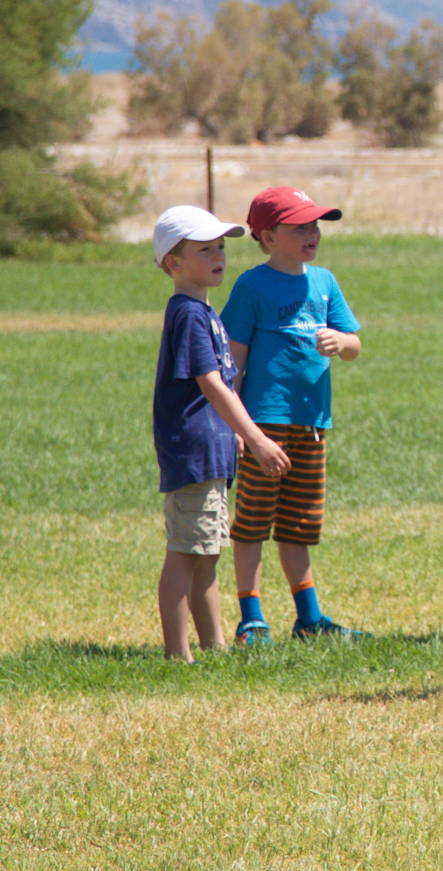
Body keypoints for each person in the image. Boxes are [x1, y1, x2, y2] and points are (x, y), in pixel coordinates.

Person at [221, 186, 365, 643]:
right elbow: (234, 361)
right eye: (299, 227)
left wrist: (340, 344)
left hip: (312, 425)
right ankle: (252, 616)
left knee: (299, 524)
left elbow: (354, 344)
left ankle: (309, 619)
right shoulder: (252, 285)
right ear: (266, 236)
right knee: (252, 522)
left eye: (315, 225)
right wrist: (237, 428)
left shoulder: (324, 281)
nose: (313, 233)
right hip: (264, 424)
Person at [149, 206, 291, 662]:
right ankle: (179, 655)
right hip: (192, 452)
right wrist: (254, 437)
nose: (219, 256)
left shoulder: (203, 310)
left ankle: (213, 648)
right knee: (185, 552)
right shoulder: (189, 314)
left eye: (221, 247)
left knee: (206, 552)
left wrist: (231, 438)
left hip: (209, 451)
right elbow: (211, 382)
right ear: (173, 262)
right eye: (204, 249)